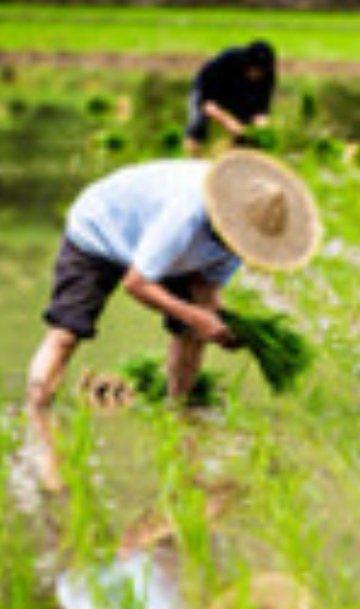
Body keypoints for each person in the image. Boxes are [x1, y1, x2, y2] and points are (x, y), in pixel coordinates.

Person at [25, 150, 321, 493]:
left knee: (192, 334)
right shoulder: (186, 213)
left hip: (163, 251)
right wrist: (195, 315)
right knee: (66, 333)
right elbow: (136, 283)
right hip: (101, 231)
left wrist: (220, 327)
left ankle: (180, 423)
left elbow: (206, 292)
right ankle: (38, 431)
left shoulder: (238, 242)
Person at [185, 41, 277, 155]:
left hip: (240, 93)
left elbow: (261, 109)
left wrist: (260, 130)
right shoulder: (227, 62)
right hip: (209, 90)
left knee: (245, 137)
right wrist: (229, 122)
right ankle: (192, 154)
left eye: (260, 72)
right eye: (254, 70)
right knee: (198, 125)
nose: (256, 75)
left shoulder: (268, 76)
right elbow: (208, 105)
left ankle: (233, 157)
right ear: (247, 65)